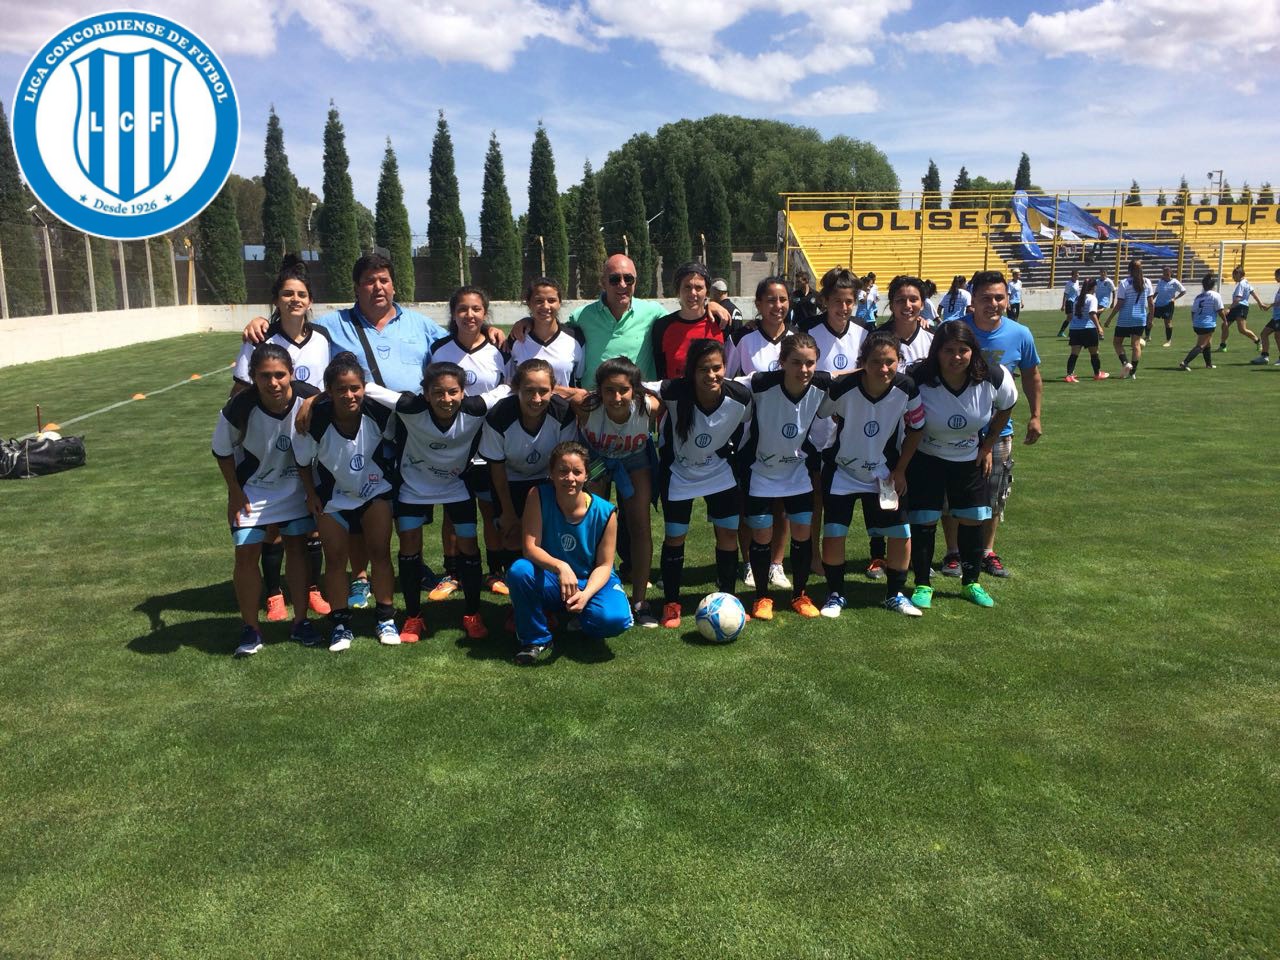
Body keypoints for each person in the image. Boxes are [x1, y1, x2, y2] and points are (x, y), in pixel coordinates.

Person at [243, 253, 503, 610]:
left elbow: (461, 337)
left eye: (383, 280)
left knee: (405, 502)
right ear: (356, 287)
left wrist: (489, 329)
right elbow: (293, 328)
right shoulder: (335, 324)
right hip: (356, 426)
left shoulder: (420, 324)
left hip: (413, 429)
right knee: (358, 497)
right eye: (369, 281)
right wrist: (262, 321)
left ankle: (418, 564)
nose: (377, 287)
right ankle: (361, 577)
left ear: (394, 285)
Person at [360, 362, 511, 641]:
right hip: (412, 489)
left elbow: (507, 387)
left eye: (453, 392)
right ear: (426, 394)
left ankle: (472, 614)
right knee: (409, 547)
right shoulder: (409, 407)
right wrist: (312, 399)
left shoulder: (475, 408)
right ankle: (414, 617)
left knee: (468, 546)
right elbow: (367, 388)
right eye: (438, 392)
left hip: (456, 486)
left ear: (464, 392)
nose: (446, 399)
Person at [232, 256, 331, 624]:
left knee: (311, 516)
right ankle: (274, 593)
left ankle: (312, 589)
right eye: (287, 293)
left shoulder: (322, 337)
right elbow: (239, 392)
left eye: (301, 294)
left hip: (309, 438)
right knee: (272, 524)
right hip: (267, 443)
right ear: (275, 299)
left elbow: (325, 387)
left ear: (309, 300)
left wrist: (311, 402)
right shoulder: (260, 338)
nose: (295, 299)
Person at [212, 344, 320, 656]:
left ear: (291, 374)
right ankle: (251, 628)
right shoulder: (239, 406)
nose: (273, 382)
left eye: (279, 375)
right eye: (264, 376)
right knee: (245, 553)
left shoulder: (307, 395)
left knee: (297, 548)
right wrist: (234, 492)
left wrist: (313, 399)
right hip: (253, 492)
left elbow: (330, 394)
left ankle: (300, 622)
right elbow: (221, 451)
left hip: (296, 489)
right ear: (253, 377)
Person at [293, 353, 403, 651]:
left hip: (374, 492)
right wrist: (311, 494)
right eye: (341, 389)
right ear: (328, 391)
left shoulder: (379, 413)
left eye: (355, 387)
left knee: (380, 554)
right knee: (336, 561)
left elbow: (406, 410)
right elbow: (303, 461)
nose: (349, 394)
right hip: (333, 499)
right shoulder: (315, 419)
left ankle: (385, 618)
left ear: (364, 387)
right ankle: (340, 625)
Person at [938, 270, 1042, 580]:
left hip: (999, 432)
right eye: (986, 298)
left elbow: (1032, 376)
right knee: (951, 495)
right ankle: (953, 552)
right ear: (973, 301)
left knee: (995, 493)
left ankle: (986, 551)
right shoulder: (953, 330)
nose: (993, 304)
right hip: (955, 431)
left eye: (999, 297)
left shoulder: (1021, 334)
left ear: (1008, 299)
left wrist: (1035, 415)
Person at [906, 322, 1017, 611]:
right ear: (937, 352)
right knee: (924, 520)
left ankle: (971, 582)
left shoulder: (993, 376)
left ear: (973, 351)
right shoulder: (918, 377)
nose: (956, 357)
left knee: (972, 519)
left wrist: (988, 443)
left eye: (963, 350)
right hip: (926, 458)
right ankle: (922, 584)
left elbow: (1007, 405)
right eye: (949, 350)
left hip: (969, 459)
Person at [817, 331, 925, 618]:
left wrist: (900, 469)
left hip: (884, 471)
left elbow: (917, 428)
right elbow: (824, 412)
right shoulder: (844, 387)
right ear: (863, 362)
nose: (884, 368)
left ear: (899, 361)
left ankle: (895, 594)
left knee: (900, 532)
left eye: (891, 361)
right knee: (835, 532)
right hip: (842, 470)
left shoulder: (907, 388)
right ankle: (835, 594)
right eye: (876, 361)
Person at [647, 339, 753, 628]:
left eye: (717, 368)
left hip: (719, 472)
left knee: (728, 535)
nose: (711, 375)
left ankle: (728, 598)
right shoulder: (673, 391)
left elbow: (748, 422)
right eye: (703, 369)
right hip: (680, 474)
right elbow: (638, 386)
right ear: (691, 372)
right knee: (675, 538)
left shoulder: (740, 396)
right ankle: (671, 602)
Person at [507, 441, 634, 664]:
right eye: (563, 471)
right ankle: (536, 638)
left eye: (577, 472)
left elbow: (605, 565)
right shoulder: (537, 496)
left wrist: (585, 595)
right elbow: (530, 548)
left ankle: (579, 616)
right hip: (554, 577)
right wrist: (561, 567)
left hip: (589, 580)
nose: (570, 478)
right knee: (520, 571)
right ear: (551, 474)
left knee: (614, 620)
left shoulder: (605, 512)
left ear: (586, 476)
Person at [738, 333, 835, 621]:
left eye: (809, 363)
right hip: (761, 471)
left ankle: (800, 594)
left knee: (803, 533)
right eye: (796, 363)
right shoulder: (760, 383)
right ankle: (761, 597)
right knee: (762, 534)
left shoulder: (821, 384)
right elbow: (724, 386)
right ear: (781, 363)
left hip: (797, 472)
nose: (803, 370)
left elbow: (853, 375)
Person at [479, 358, 579, 630]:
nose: (536, 398)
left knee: (546, 540)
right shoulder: (499, 416)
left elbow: (564, 462)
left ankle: (551, 602)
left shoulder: (563, 412)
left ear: (553, 389)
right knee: (513, 538)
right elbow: (496, 468)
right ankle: (519, 606)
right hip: (509, 480)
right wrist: (509, 512)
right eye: (529, 391)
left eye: (543, 391)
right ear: (516, 390)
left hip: (547, 479)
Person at [426, 286, 510, 600]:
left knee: (490, 510)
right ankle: (452, 573)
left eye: (476, 309)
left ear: (485, 313)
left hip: (489, 444)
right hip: (452, 445)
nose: (469, 315)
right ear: (453, 313)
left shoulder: (498, 350)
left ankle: (496, 571)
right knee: (452, 511)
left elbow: (508, 389)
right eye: (463, 309)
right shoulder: (439, 349)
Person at [574, 357, 662, 627]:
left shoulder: (649, 407)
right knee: (592, 526)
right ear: (598, 390)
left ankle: (639, 601)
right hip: (596, 459)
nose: (616, 397)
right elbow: (562, 393)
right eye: (609, 390)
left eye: (623, 389)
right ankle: (587, 596)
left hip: (635, 460)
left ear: (636, 390)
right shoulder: (586, 406)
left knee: (640, 525)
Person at [726, 276, 797, 589]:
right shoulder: (745, 342)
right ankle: (749, 563)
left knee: (780, 503)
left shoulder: (798, 340)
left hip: (788, 435)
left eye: (782, 300)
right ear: (758, 304)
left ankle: (776, 564)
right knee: (748, 502)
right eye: (770, 300)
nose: (777, 306)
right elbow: (728, 382)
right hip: (749, 435)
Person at [504, 277, 585, 387]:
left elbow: (579, 379)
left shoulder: (576, 338)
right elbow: (511, 383)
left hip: (564, 404)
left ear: (559, 303)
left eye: (552, 300)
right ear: (529, 303)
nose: (546, 306)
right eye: (539, 301)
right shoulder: (517, 338)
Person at [651, 262, 726, 379]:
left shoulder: (721, 322)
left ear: (707, 291)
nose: (693, 293)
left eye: (699, 287)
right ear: (678, 290)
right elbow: (660, 371)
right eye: (687, 287)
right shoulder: (662, 327)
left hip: (712, 395)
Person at [1103, 259, 1155, 380]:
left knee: (1117, 342)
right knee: (1136, 344)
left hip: (1125, 318)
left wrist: (1109, 318)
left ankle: (1126, 363)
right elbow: (1151, 304)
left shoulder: (1125, 282)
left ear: (1129, 269)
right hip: (1140, 318)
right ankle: (1133, 373)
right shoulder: (1147, 282)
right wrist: (1150, 319)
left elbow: (1120, 303)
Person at [1063, 278, 1109, 383]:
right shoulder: (1092, 298)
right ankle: (1097, 374)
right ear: (1093, 287)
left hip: (1075, 329)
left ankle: (1069, 375)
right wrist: (1099, 327)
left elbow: (1081, 311)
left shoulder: (1078, 298)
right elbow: (1091, 313)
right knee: (1094, 353)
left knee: (1074, 353)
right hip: (1088, 328)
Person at [1178, 274, 1226, 371]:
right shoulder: (1216, 295)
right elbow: (1220, 310)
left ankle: (1209, 364)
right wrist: (1225, 320)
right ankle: (1185, 362)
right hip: (1207, 324)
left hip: (1197, 323)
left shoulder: (1199, 297)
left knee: (1207, 343)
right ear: (1213, 285)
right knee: (1201, 345)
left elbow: (1193, 311)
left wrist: (1195, 322)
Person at [1219, 265, 1265, 353]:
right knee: (1224, 325)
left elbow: (1238, 299)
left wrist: (1229, 308)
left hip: (1241, 307)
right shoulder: (1246, 282)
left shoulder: (1241, 284)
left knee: (1242, 329)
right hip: (1236, 307)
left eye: (1234, 275)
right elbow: (1253, 293)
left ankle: (1258, 342)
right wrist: (1260, 303)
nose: (1233, 277)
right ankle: (1223, 346)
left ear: (1239, 274)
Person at [1252, 268, 1280, 365]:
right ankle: (1264, 356)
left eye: (1276, 275)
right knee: (1264, 334)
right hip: (1276, 317)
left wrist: (1270, 306)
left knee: (1278, 336)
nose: (1275, 277)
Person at [1057, 269, 1081, 337]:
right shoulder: (1069, 283)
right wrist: (1063, 305)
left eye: (1078, 275)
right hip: (1069, 302)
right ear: (1072, 276)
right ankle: (1063, 332)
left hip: (1075, 302)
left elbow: (1077, 292)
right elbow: (1065, 294)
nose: (1077, 276)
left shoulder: (1077, 282)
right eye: (1076, 275)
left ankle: (1065, 332)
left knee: (1072, 318)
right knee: (1070, 317)